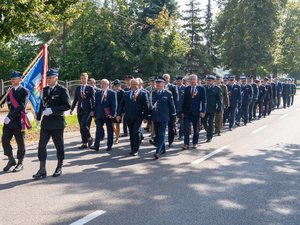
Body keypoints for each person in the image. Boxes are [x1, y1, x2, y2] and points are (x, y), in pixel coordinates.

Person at [33, 69, 71, 179]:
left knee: (59, 145)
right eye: (47, 78)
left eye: (50, 78)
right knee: (41, 146)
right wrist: (39, 118)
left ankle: (59, 166)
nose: (48, 80)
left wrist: (53, 110)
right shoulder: (45, 90)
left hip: (57, 122)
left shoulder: (62, 90)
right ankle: (42, 169)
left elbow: (67, 105)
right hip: (46, 123)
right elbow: (42, 105)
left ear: (56, 78)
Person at [1, 71, 30, 172]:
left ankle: (20, 163)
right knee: (4, 140)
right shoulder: (9, 90)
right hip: (9, 122)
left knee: (20, 143)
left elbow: (22, 106)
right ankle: (11, 160)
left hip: (18, 120)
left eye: (15, 79)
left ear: (20, 79)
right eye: (12, 79)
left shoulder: (25, 91)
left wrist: (10, 116)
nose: (12, 80)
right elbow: (2, 100)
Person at [117, 79, 149, 156]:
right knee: (131, 133)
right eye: (132, 84)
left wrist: (146, 117)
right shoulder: (126, 94)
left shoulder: (143, 93)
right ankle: (132, 148)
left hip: (138, 116)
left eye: (135, 84)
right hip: (128, 117)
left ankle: (136, 149)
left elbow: (146, 106)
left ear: (138, 85)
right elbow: (121, 105)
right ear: (130, 85)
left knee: (136, 132)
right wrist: (118, 114)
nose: (134, 86)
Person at [150, 76, 176, 159]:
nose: (157, 84)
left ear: (163, 83)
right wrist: (149, 115)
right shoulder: (153, 93)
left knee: (161, 134)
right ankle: (163, 149)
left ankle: (158, 151)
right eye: (156, 83)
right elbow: (150, 106)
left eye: (159, 83)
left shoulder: (168, 93)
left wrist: (174, 115)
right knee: (158, 134)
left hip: (164, 117)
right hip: (155, 117)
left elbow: (172, 106)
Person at [90, 79, 117, 151]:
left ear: (108, 85)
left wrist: (112, 114)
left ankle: (109, 145)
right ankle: (96, 145)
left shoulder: (112, 93)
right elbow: (96, 105)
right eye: (101, 83)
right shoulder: (98, 93)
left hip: (108, 116)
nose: (102, 85)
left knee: (109, 130)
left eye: (104, 84)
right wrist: (94, 114)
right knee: (98, 130)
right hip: (99, 115)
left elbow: (114, 104)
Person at [181, 74, 206, 149]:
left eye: (193, 79)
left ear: (196, 80)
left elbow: (204, 101)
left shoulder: (201, 88)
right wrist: (182, 111)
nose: (192, 80)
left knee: (196, 128)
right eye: (190, 79)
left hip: (196, 112)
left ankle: (195, 143)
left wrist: (203, 111)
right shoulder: (187, 88)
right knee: (186, 129)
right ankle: (186, 144)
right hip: (187, 112)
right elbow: (184, 101)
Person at [70, 73, 94, 149]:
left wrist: (93, 110)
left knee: (84, 125)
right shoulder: (78, 88)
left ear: (87, 79)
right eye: (82, 78)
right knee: (81, 127)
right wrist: (72, 109)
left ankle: (89, 138)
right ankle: (84, 143)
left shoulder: (90, 88)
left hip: (87, 110)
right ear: (80, 79)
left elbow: (93, 100)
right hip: (80, 110)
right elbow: (75, 99)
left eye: (85, 78)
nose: (83, 80)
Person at [202, 75, 222, 142]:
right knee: (204, 122)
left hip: (212, 108)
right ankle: (209, 130)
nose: (208, 81)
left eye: (210, 80)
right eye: (207, 80)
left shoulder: (217, 88)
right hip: (204, 109)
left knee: (210, 122)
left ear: (213, 81)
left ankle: (209, 137)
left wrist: (219, 108)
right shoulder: (203, 87)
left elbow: (219, 100)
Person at [163, 73, 178, 147]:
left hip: (170, 110)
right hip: (162, 111)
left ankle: (170, 141)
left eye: (166, 78)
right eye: (164, 77)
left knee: (171, 126)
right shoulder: (159, 86)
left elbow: (176, 99)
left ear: (169, 79)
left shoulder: (173, 87)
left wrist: (174, 109)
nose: (165, 79)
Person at [112, 79, 125, 144]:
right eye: (115, 85)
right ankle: (116, 133)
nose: (116, 86)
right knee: (111, 124)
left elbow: (123, 103)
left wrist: (122, 111)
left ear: (120, 85)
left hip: (119, 111)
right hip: (112, 111)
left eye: (117, 85)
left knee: (117, 125)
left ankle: (117, 138)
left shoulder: (122, 92)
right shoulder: (112, 91)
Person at [175, 76, 185, 140]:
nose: (177, 82)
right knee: (173, 123)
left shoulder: (185, 88)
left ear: (182, 81)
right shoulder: (174, 88)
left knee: (182, 123)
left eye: (179, 81)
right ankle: (174, 133)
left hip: (182, 108)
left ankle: (181, 135)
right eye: (177, 81)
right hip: (174, 108)